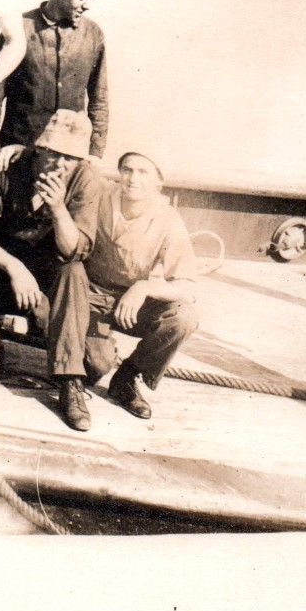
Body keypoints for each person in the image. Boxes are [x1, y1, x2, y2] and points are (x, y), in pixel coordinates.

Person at [46, 151, 200, 432]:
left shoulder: (167, 218)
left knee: (183, 317)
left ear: (159, 182)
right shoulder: (100, 196)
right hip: (84, 297)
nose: (133, 179)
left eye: (143, 172)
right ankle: (71, 383)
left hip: (128, 303)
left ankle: (127, 377)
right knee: (96, 367)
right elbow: (59, 166)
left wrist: (143, 287)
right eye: (127, 170)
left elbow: (187, 286)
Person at [0, 109, 106, 383]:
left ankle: (63, 370)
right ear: (38, 149)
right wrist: (14, 266)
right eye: (53, 153)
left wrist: (58, 209)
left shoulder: (86, 180)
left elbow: (74, 251)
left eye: (70, 158)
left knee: (96, 365)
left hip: (47, 278)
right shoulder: (3, 169)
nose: (59, 164)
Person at [0, 0, 109, 171]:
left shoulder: (93, 35)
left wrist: (95, 154)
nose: (87, 6)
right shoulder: (19, 29)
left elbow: (99, 100)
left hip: (67, 159)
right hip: (16, 154)